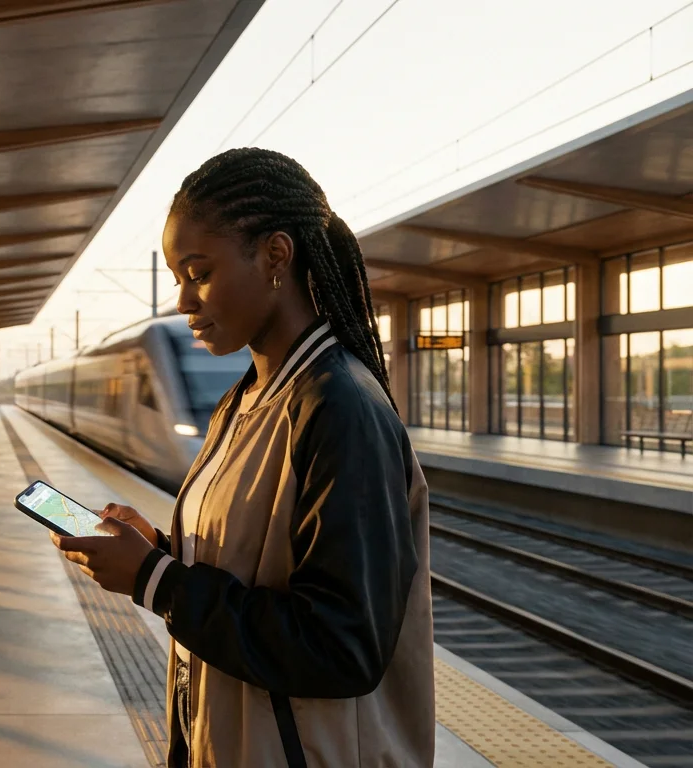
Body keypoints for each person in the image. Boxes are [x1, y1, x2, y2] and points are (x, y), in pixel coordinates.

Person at [52, 148, 434, 768]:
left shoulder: (339, 408)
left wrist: (157, 581)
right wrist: (162, 550)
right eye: (178, 277)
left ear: (276, 255)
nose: (183, 300)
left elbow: (342, 645)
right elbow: (257, 564)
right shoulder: (246, 399)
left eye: (198, 273)